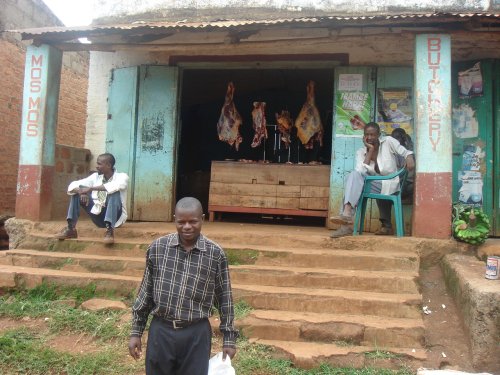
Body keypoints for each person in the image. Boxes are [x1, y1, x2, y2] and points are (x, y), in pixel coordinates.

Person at [128, 197, 238, 375]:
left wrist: (229, 339)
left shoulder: (215, 254)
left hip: (196, 333)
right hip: (161, 331)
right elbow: (145, 293)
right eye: (181, 222)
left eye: (193, 221)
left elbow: (225, 298)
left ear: (202, 219)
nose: (187, 226)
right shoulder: (158, 248)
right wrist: (135, 332)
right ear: (175, 220)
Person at [330, 122, 415, 237]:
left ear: (379, 134)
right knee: (354, 177)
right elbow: (361, 171)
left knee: (354, 185)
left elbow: (405, 151)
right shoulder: (361, 152)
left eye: (372, 135)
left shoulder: (388, 141)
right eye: (366, 135)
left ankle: (346, 222)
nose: (369, 137)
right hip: (372, 183)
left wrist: (409, 158)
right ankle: (347, 213)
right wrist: (369, 151)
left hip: (389, 183)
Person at [55, 153, 128, 244]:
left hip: (116, 218)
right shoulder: (95, 177)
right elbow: (73, 185)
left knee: (114, 192)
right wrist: (81, 192)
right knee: (76, 194)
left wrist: (91, 188)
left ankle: (109, 231)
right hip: (98, 217)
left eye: (99, 164)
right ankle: (71, 228)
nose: (96, 166)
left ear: (109, 165)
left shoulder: (122, 176)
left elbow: (115, 186)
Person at [390, 128, 415, 200]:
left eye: (397, 138)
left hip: (406, 185)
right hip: (397, 184)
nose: (395, 141)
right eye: (393, 139)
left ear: (403, 139)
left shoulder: (408, 152)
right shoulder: (393, 152)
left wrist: (407, 141)